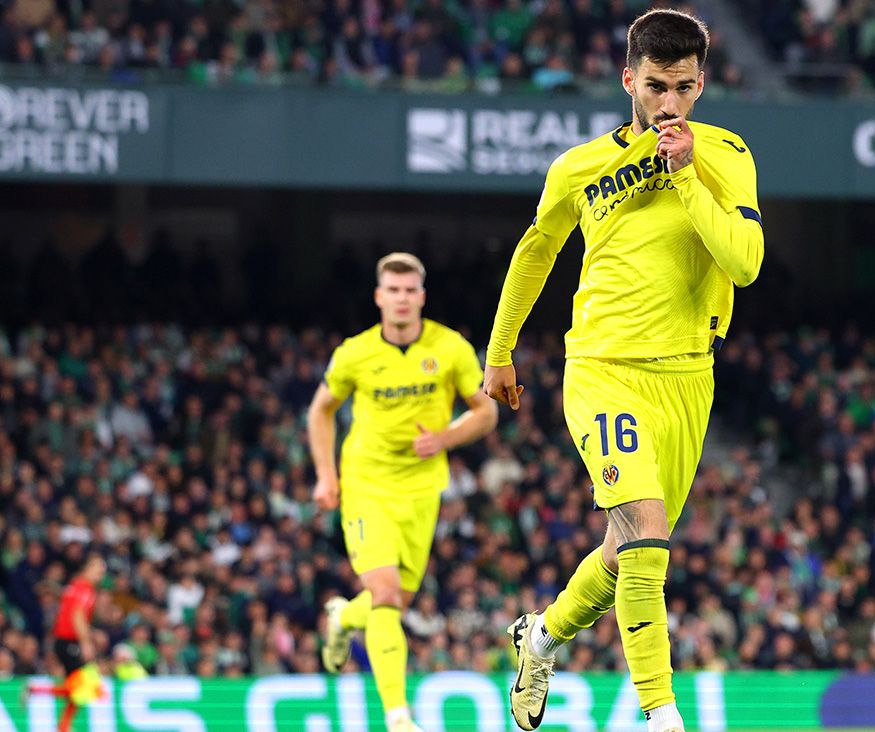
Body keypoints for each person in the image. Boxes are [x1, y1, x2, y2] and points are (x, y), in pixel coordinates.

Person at [482, 9, 764, 732]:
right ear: (628, 79)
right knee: (644, 535)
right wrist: (501, 349)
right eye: (657, 86)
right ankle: (662, 716)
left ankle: (539, 637)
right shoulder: (578, 166)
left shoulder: (726, 155)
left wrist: (686, 179)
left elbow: (745, 263)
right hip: (604, 369)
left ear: (701, 85)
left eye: (684, 87)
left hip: (689, 378)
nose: (669, 103)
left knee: (623, 556)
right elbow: (536, 249)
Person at [309, 252, 498, 732]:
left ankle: (342, 618)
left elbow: (486, 412)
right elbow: (320, 411)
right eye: (393, 290)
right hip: (367, 483)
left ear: (422, 296)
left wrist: (444, 438)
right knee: (387, 594)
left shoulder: (449, 347)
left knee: (394, 603)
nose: (401, 299)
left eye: (410, 290)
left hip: (422, 488)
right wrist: (326, 477)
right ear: (379, 297)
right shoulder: (355, 353)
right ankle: (398, 717)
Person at [25, 555, 108, 732]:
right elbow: (77, 615)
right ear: (86, 567)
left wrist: (90, 634)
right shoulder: (85, 588)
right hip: (71, 643)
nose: (102, 572)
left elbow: (68, 612)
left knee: (77, 688)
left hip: (63, 641)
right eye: (98, 567)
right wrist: (86, 643)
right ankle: (59, 721)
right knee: (87, 685)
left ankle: (62, 725)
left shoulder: (73, 586)